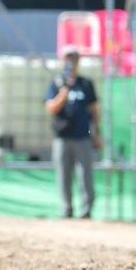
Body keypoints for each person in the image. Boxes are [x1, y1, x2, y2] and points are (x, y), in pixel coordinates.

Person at [44, 47, 100, 219]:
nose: (71, 61)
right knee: (63, 175)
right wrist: (62, 95)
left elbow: (94, 111)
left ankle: (86, 210)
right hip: (62, 137)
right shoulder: (56, 83)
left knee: (85, 175)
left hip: (82, 136)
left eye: (74, 58)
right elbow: (51, 108)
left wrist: (96, 133)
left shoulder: (86, 84)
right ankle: (67, 209)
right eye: (68, 58)